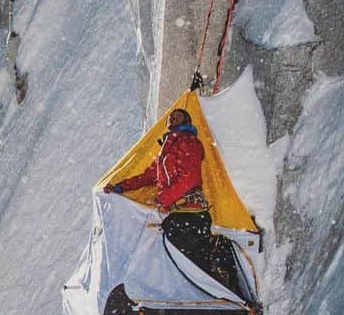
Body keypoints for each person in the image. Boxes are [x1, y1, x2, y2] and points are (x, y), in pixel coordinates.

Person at [104, 107, 248, 300]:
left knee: (193, 259)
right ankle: (219, 293)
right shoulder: (166, 151)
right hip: (179, 215)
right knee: (191, 258)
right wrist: (120, 187)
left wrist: (164, 198)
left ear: (187, 121)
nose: (173, 117)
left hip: (191, 213)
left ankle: (226, 295)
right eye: (171, 116)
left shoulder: (188, 142)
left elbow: (191, 178)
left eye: (179, 116)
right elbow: (147, 177)